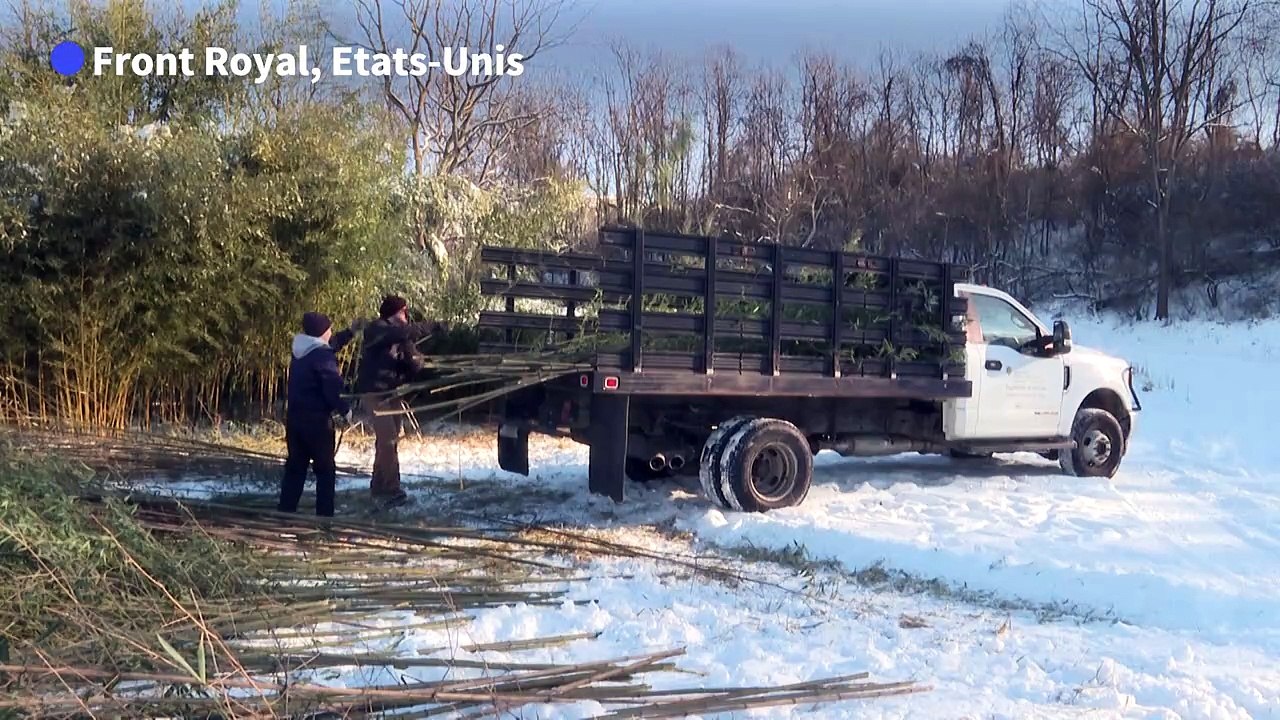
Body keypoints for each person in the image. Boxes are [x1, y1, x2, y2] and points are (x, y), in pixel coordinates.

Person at [355, 295, 447, 506]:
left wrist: (418, 363)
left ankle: (379, 485)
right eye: (404, 311)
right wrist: (432, 326)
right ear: (393, 312)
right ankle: (392, 490)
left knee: (389, 440)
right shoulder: (377, 329)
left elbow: (411, 358)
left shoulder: (400, 335)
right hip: (375, 392)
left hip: (392, 392)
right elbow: (405, 332)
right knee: (387, 439)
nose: (407, 315)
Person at [278, 312, 360, 517]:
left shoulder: (301, 350)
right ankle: (325, 518)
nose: (331, 332)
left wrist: (350, 332)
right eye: (329, 328)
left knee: (295, 468)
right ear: (322, 331)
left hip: (295, 420)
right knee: (325, 471)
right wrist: (346, 410)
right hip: (317, 423)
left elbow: (331, 344)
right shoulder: (323, 356)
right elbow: (331, 388)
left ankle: (285, 513)